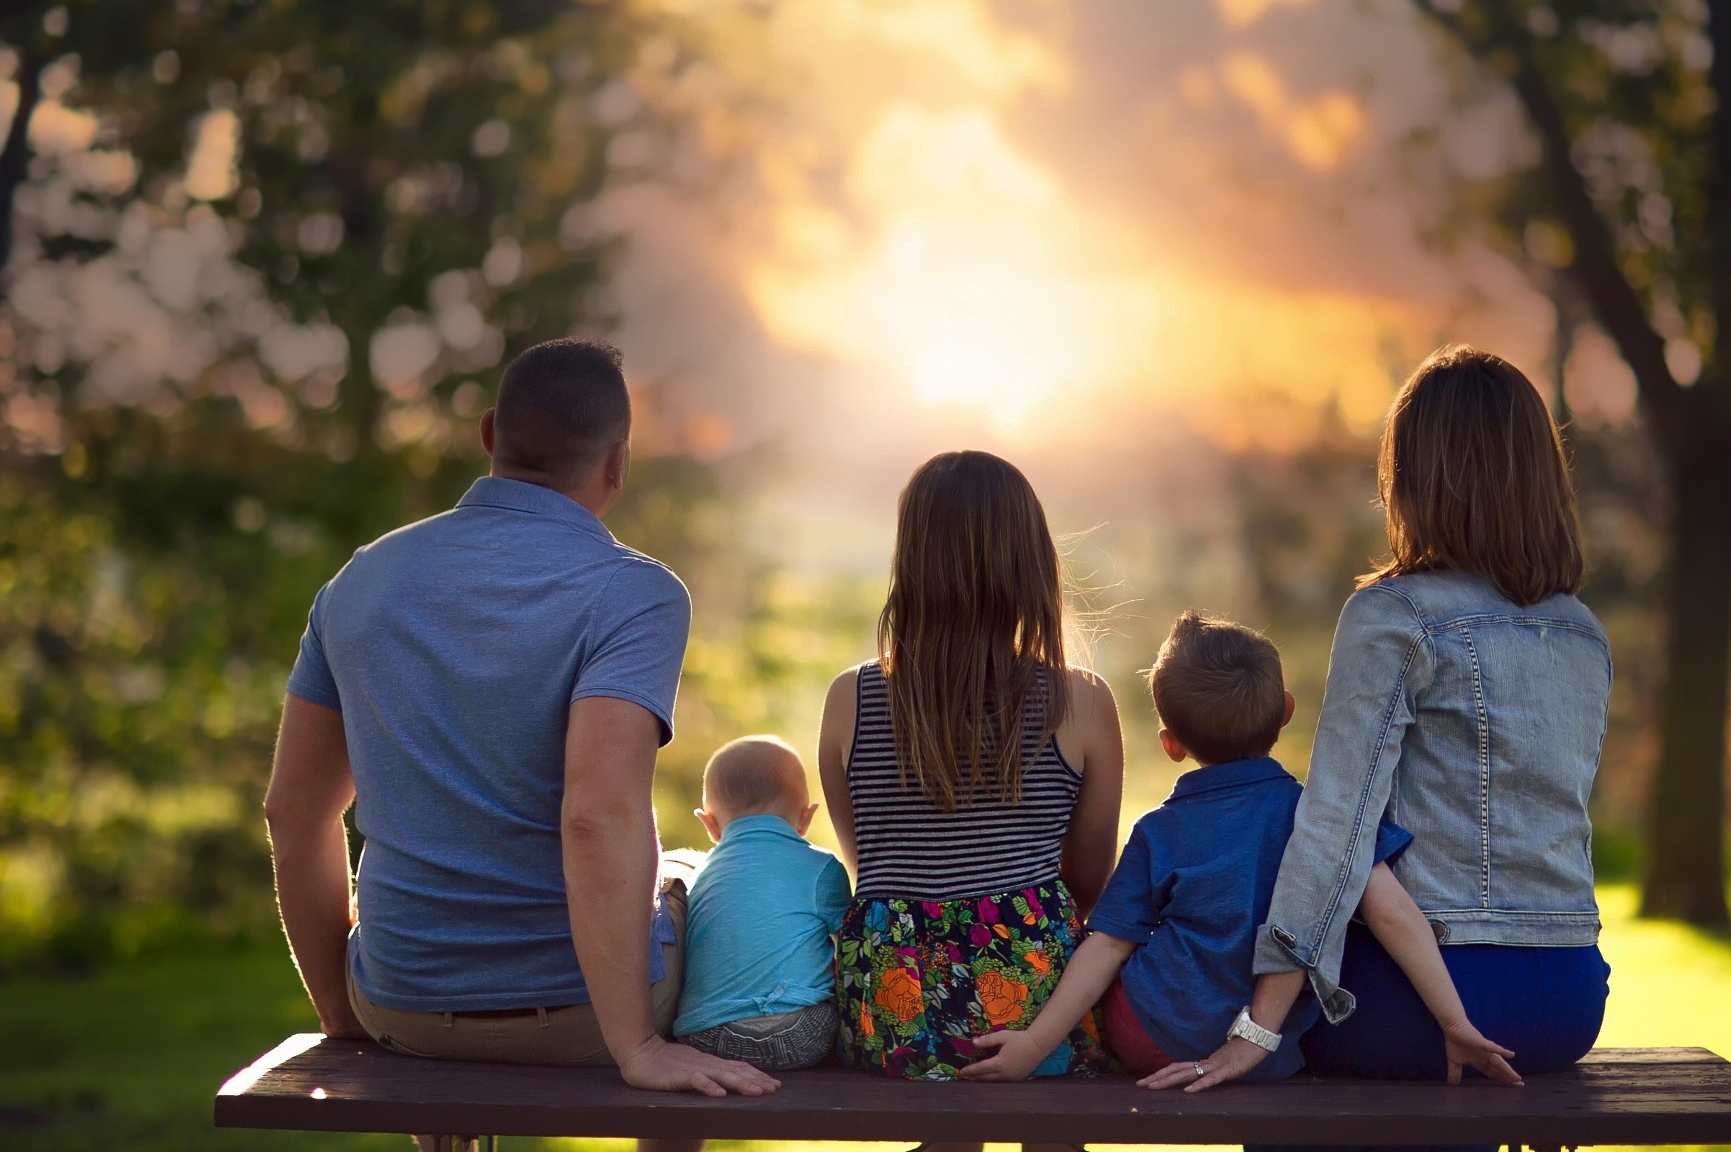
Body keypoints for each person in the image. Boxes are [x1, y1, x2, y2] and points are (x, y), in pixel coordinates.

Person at [264, 338, 779, 1107]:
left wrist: (344, 1012)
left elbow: (293, 810)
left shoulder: (359, 580)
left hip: (397, 1005)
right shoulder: (634, 593)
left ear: (488, 434)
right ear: (617, 465)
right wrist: (637, 1046)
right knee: (699, 877)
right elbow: (596, 817)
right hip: (579, 1019)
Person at [1147, 346, 1611, 1121]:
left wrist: (1256, 1030)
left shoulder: (1394, 615)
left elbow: (1335, 826)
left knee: (1285, 1074)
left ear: (1414, 476)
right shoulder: (1582, 631)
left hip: (1435, 998)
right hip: (1571, 999)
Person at [960, 613, 1512, 1087]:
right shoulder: (1320, 818)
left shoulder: (1160, 831)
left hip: (1145, 1034)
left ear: (1171, 745)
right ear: (1287, 711)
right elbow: (1393, 913)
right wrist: (1455, 1023)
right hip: (1267, 1049)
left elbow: (1108, 946)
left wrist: (1035, 1045)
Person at [818, 450, 1125, 1086]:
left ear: (911, 564)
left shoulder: (850, 697)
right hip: (1030, 991)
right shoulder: (1083, 701)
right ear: (1033, 563)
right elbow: (1090, 882)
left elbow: (868, 864)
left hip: (896, 1000)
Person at [674, 736, 851, 1071]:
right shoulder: (822, 867)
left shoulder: (701, 874)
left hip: (708, 1038)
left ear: (708, 824)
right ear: (806, 817)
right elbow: (854, 946)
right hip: (801, 1035)